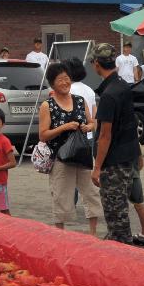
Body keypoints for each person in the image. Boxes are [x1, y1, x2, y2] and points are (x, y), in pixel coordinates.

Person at [38, 62, 101, 236]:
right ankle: (61, 236)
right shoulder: (47, 105)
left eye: (67, 79)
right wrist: (64, 127)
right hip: (61, 158)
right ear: (52, 84)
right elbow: (43, 135)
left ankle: (93, 233)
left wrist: (90, 127)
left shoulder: (79, 101)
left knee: (91, 193)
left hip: (83, 155)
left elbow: (93, 121)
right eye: (60, 80)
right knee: (61, 197)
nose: (65, 82)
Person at [91, 43, 140, 244]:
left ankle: (121, 256)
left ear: (96, 64)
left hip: (113, 163)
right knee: (120, 211)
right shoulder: (123, 86)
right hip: (127, 157)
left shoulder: (109, 95)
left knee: (115, 214)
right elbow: (131, 123)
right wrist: (138, 153)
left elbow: (105, 135)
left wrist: (97, 167)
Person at [66, 57, 96, 147]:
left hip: (72, 136)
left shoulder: (68, 90)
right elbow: (95, 116)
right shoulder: (89, 90)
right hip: (89, 134)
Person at [130, 151, 144, 247]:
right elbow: (141, 164)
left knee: (118, 205)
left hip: (119, 177)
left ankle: (120, 234)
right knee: (139, 206)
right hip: (135, 176)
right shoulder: (136, 143)